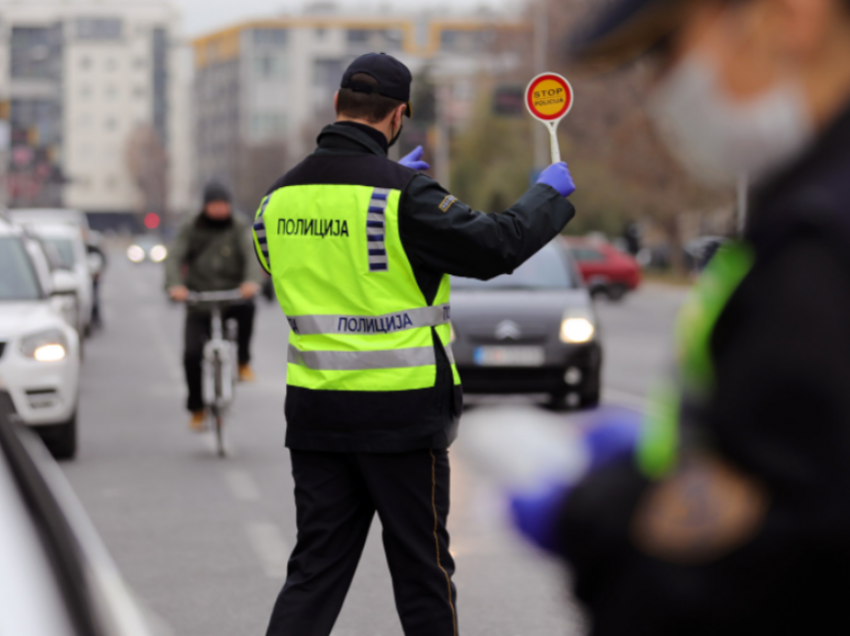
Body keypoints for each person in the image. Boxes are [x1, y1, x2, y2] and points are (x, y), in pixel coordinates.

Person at [509, 0, 850, 634]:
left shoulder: (818, 252)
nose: (658, 89)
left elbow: (779, 575)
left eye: (667, 51)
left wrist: (604, 521)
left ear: (790, 17)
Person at [252, 52, 578, 636]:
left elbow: (310, 262)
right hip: (401, 415)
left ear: (337, 107)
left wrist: (388, 185)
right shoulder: (403, 196)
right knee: (422, 574)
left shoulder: (274, 202)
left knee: (314, 573)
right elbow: (496, 246)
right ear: (399, 115)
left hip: (317, 414)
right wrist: (546, 196)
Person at [166, 182, 264, 430]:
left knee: (249, 309)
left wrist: (251, 281)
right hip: (199, 300)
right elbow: (175, 256)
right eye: (215, 204)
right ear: (206, 206)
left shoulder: (239, 226)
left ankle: (243, 362)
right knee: (191, 355)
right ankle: (197, 408)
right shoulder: (191, 227)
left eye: (224, 204)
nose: (220, 209)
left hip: (232, 296)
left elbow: (251, 254)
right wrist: (176, 285)